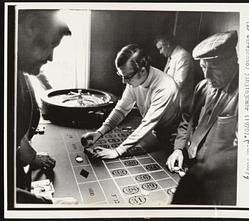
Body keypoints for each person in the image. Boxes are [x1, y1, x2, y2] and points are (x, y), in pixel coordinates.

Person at [166, 30, 239, 205]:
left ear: (231, 62)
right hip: (191, 166)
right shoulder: (202, 87)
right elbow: (187, 120)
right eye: (203, 68)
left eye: (213, 69)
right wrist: (179, 148)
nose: (207, 76)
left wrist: (205, 172)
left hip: (217, 181)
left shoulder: (247, 94)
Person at [16, 9, 77, 204]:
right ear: (31, 26)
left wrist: (57, 94)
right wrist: (47, 206)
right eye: (51, 45)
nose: (51, 57)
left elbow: (37, 71)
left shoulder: (16, 64)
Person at [81, 44, 180, 159]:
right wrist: (99, 133)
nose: (124, 81)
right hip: (153, 133)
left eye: (127, 77)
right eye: (121, 75)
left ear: (142, 71)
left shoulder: (165, 87)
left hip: (171, 142)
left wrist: (118, 151)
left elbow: (147, 123)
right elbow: (121, 109)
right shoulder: (134, 81)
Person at [155, 34, 196, 113]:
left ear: (168, 44)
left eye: (161, 48)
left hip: (180, 106)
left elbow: (178, 83)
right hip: (172, 102)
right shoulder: (172, 56)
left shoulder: (183, 56)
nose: (160, 52)